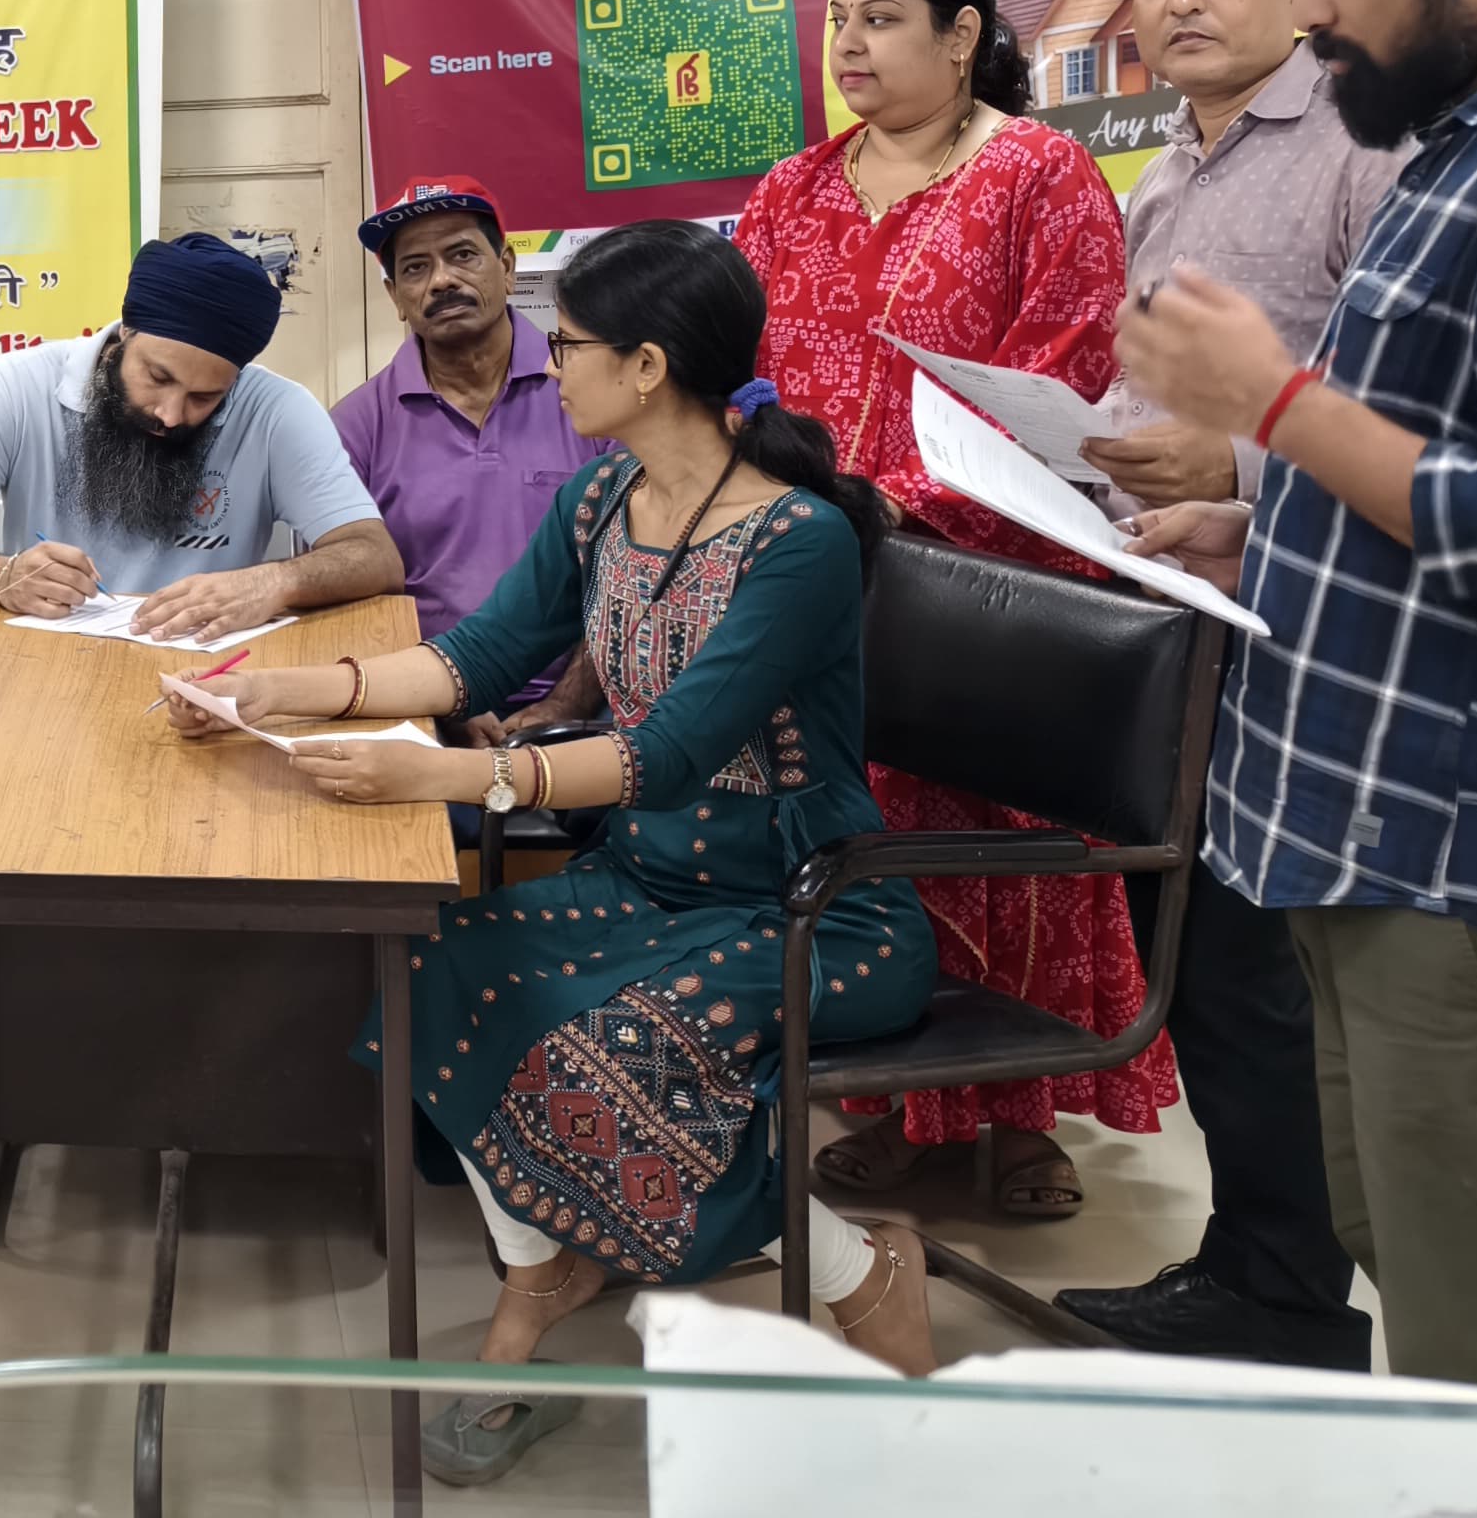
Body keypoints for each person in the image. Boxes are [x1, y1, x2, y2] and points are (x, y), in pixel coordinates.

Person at [190, 221, 937, 1484]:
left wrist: (450, 775)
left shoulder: (796, 539)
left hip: (811, 909)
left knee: (601, 1057)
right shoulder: (602, 500)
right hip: (644, 881)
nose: (552, 360)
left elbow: (672, 753)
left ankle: (860, 1275)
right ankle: (545, 1266)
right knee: (426, 976)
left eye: (571, 340)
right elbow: (475, 659)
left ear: (648, 367)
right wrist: (281, 692)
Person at [1118, 0, 1477, 1402]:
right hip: (1373, 856)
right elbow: (1442, 458)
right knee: (1442, 1308)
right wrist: (1272, 513)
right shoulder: (1476, 137)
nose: (1306, 6)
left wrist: (1271, 402)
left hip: (1474, 884)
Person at [735, 0, 1174, 1219]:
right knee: (858, 840)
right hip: (824, 593)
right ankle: (894, 1106)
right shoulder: (790, 191)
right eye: (839, 21)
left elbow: (1064, 373)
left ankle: (1021, 1116)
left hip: (993, 589)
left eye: (880, 18)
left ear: (963, 33)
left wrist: (892, 507)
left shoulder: (1041, 175)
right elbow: (738, 377)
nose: (849, 44)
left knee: (1003, 849)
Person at [1048, 0, 1400, 1369]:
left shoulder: (1363, 150)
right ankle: (1259, 1263)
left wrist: (1238, 468)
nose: (1181, 0)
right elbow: (1155, 404)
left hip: (1301, 634)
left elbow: (1413, 413)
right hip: (1168, 616)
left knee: (1262, 976)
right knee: (1194, 950)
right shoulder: (1168, 174)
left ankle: (1294, 1296)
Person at [0, 231, 400, 639]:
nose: (171, 415)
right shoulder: (17, 386)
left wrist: (273, 581)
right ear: (125, 333)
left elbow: (374, 557)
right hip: (39, 661)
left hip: (202, 678)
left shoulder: (278, 410)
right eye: (157, 377)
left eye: (205, 397)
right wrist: (0, 578)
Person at [330, 176, 613, 736]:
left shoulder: (597, 394)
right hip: (421, 710)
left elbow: (636, 575)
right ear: (395, 297)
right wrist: (441, 700)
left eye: (462, 255)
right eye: (415, 268)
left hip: (591, 711)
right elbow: (350, 598)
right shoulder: (354, 427)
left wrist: (565, 706)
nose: (441, 280)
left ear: (506, 268)